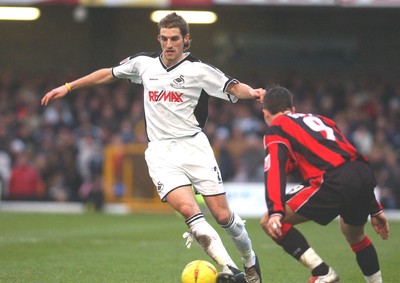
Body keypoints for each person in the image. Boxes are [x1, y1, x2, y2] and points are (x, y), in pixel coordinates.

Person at [41, 12, 262, 283]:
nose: (169, 44)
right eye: (165, 38)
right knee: (189, 211)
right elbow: (107, 74)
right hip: (160, 153)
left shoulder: (198, 70)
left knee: (222, 215)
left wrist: (253, 93)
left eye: (175, 39)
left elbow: (233, 86)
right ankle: (232, 270)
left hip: (195, 148)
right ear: (159, 38)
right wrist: (69, 87)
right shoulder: (144, 64)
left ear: (186, 40)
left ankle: (250, 261)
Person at [259, 85, 389, 283]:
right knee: (354, 234)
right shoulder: (320, 119)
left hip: (332, 180)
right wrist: (375, 208)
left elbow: (274, 171)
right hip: (361, 173)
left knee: (269, 221)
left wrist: (276, 210)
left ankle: (322, 272)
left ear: (266, 114)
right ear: (292, 109)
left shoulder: (276, 128)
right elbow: (349, 155)